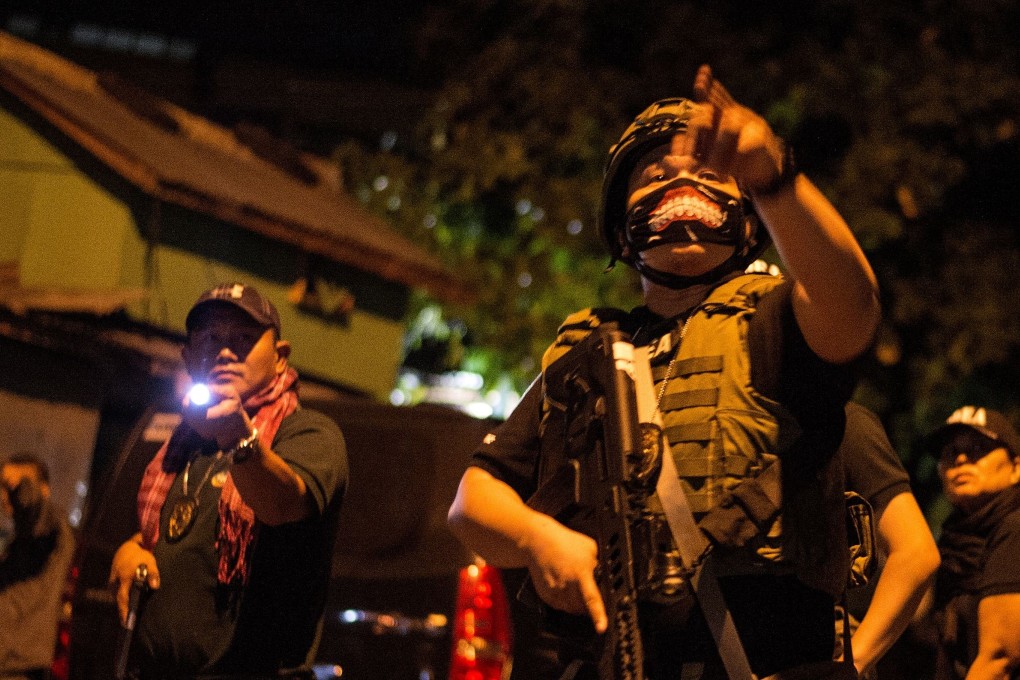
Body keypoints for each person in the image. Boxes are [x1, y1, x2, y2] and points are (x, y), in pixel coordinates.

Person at [448, 63, 881, 679]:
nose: (682, 185)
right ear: (622, 231)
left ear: (750, 219)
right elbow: (473, 500)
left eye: (709, 175)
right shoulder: (586, 358)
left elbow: (853, 302)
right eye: (655, 175)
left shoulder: (778, 321)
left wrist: (773, 177)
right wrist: (538, 539)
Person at [108, 283, 348, 680]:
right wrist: (130, 550)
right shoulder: (184, 443)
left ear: (280, 357)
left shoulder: (308, 433)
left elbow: (280, 504)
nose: (223, 351)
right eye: (209, 338)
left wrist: (239, 438)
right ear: (188, 357)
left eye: (243, 338)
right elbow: (183, 539)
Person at [840, 403, 940, 678]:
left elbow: (917, 554)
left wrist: (852, 663)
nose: (960, 462)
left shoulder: (843, 423)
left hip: (830, 649)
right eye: (952, 454)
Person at [925, 406, 1020, 680]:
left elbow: (999, 658)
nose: (961, 458)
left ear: (1015, 468)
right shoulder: (953, 545)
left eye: (979, 448)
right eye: (949, 452)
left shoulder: (1014, 529)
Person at [0, 454, 75, 680]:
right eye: (5, 485)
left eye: (19, 483)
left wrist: (20, 490)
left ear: (44, 489)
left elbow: (33, 507)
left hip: (20, 669)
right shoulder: (17, 542)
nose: (8, 494)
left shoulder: (52, 528)